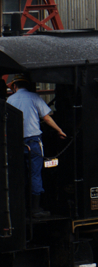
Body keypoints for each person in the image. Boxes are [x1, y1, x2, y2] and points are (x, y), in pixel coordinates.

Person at [6, 73, 66, 219]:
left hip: (15, 142)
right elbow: (46, 117)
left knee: (18, 174)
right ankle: (35, 208)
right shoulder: (34, 97)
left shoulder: (10, 100)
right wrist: (59, 131)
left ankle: (19, 206)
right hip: (33, 142)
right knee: (35, 174)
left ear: (14, 86)